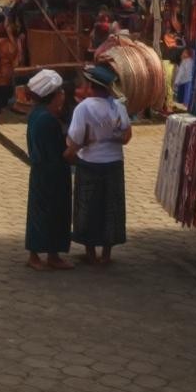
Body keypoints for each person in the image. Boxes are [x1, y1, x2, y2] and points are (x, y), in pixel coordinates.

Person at [67, 64, 133, 265]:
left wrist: (74, 149)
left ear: (90, 86)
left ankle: (90, 253)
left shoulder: (84, 107)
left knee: (88, 206)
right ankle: (106, 254)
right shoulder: (119, 106)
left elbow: (74, 139)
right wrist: (111, 137)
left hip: (90, 162)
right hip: (114, 162)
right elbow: (127, 136)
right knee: (110, 206)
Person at [24, 69, 73, 270]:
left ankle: (53, 254)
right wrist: (77, 147)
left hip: (44, 171)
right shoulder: (47, 120)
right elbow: (59, 152)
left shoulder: (37, 115)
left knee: (54, 212)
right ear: (55, 95)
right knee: (46, 212)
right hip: (50, 172)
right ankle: (35, 255)